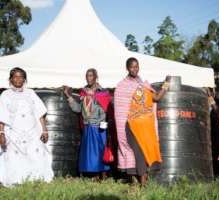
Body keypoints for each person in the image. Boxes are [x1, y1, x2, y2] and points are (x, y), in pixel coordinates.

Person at [0, 67, 54, 187]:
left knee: (36, 155)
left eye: (21, 77)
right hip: (13, 134)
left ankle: (36, 179)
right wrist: (2, 134)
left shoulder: (31, 93)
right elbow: (1, 116)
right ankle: (16, 181)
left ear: (24, 79)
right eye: (15, 77)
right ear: (11, 79)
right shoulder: (5, 95)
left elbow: (40, 112)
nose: (18, 79)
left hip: (32, 132)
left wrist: (44, 130)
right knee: (14, 158)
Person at [114, 57, 170, 185]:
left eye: (137, 66)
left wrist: (166, 83)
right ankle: (139, 182)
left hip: (144, 126)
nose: (135, 69)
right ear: (127, 68)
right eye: (132, 67)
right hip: (131, 126)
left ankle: (141, 182)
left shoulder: (143, 84)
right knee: (137, 152)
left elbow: (156, 97)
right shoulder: (122, 86)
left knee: (143, 151)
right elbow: (120, 109)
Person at [63, 68, 112, 180]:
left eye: (91, 75)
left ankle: (103, 176)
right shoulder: (83, 93)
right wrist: (68, 96)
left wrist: (101, 122)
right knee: (90, 154)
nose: (89, 78)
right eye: (87, 76)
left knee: (100, 151)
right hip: (87, 126)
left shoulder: (102, 92)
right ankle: (94, 176)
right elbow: (78, 109)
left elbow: (105, 110)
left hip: (99, 127)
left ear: (96, 77)